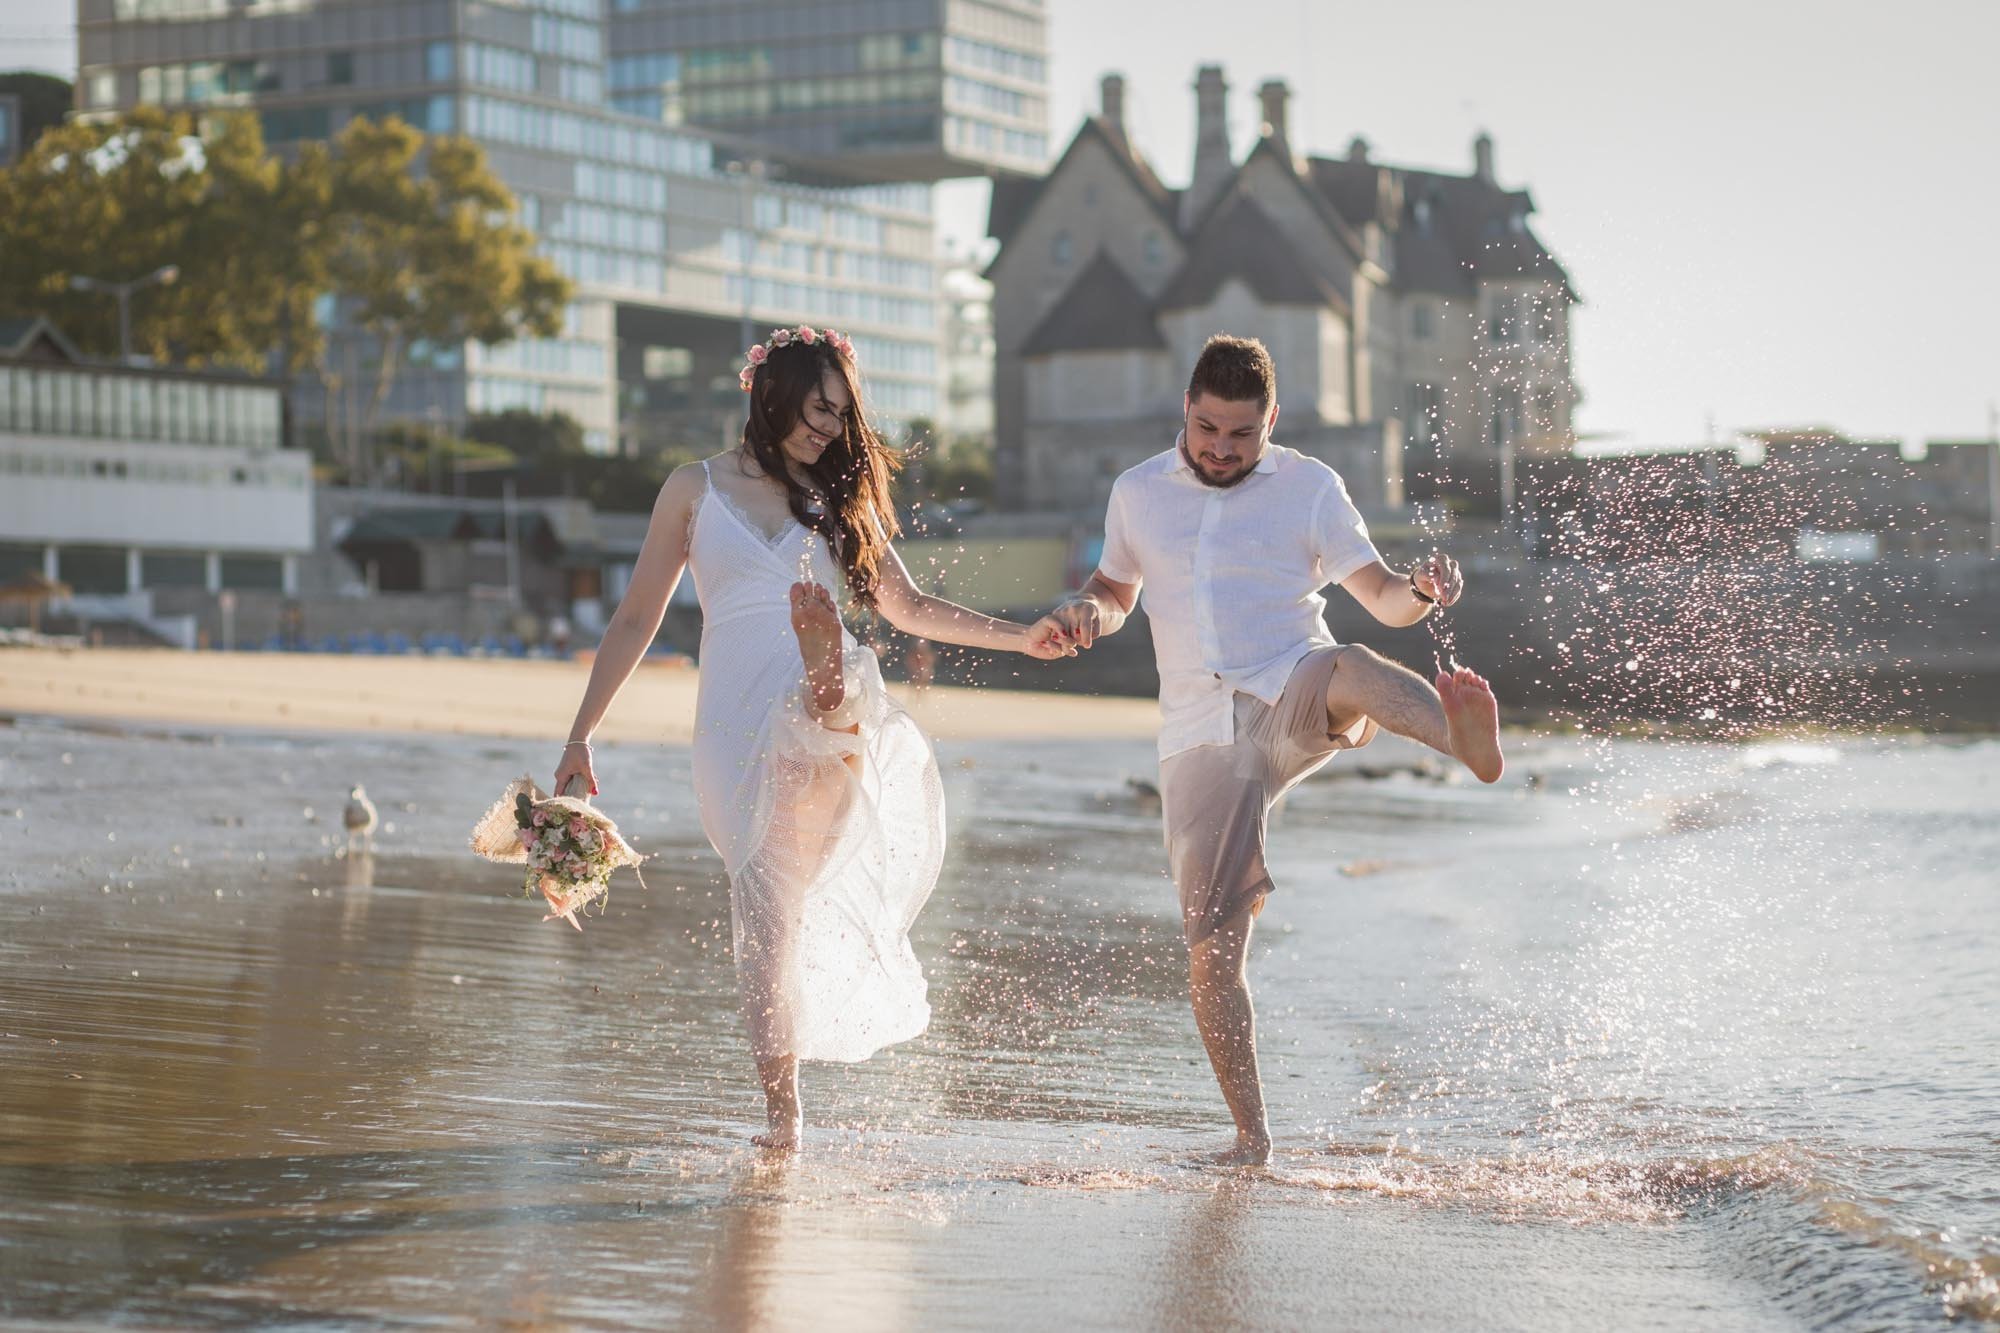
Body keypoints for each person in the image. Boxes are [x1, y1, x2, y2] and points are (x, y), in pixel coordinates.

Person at [556, 325, 1063, 1150]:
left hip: (816, 705)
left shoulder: (835, 501)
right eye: (818, 408)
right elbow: (637, 616)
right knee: (767, 914)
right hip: (727, 723)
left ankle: (827, 675)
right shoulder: (693, 489)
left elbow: (910, 608)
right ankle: (782, 1118)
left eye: (841, 415)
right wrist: (581, 734)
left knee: (823, 713)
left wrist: (1023, 637)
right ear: (771, 392)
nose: (831, 427)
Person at [1028, 334, 1504, 1167]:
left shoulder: (1311, 488)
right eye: (1208, 427)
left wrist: (1422, 592)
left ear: (1271, 421)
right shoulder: (1137, 492)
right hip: (1199, 735)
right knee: (1213, 950)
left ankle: (1460, 741)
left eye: (1240, 434)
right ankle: (1252, 1139)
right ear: (1187, 407)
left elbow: (1383, 598)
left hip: (1288, 683)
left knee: (1352, 663)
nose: (1220, 447)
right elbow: (1113, 592)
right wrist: (1084, 610)